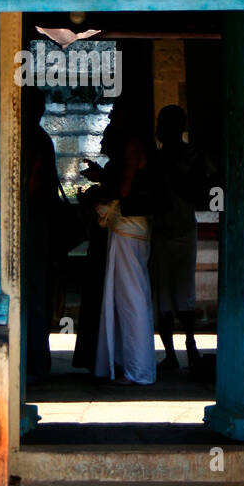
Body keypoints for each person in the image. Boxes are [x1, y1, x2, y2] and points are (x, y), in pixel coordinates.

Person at [86, 98, 157, 385]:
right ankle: (125, 363)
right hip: (129, 229)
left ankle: (138, 369)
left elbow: (124, 190)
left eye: (116, 114)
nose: (111, 119)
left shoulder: (131, 144)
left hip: (129, 228)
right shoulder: (136, 144)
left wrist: (101, 179)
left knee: (132, 298)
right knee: (127, 296)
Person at [149, 105, 205, 375]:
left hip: (178, 229)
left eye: (163, 124)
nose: (159, 129)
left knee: (180, 293)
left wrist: (172, 170)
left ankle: (187, 346)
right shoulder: (161, 158)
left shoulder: (189, 157)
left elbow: (196, 192)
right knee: (168, 296)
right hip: (166, 229)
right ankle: (175, 352)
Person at [24, 88, 61, 383]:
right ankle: (38, 360)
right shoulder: (42, 139)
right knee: (37, 294)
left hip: (33, 222)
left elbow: (33, 184)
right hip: (42, 223)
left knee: (31, 294)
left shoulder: (32, 140)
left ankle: (34, 362)